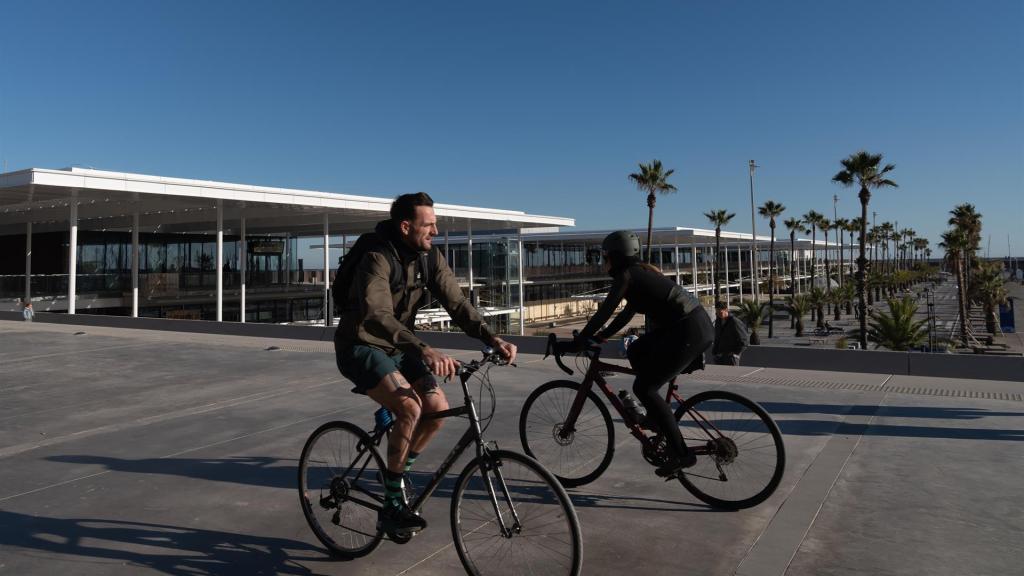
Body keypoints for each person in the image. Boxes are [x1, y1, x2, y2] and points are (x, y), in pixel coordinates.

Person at [334, 192, 517, 535]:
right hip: (360, 345)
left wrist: (493, 339)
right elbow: (377, 317)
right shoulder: (377, 257)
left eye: (435, 224)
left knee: (436, 408)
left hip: (398, 347)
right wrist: (424, 349)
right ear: (406, 226)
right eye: (428, 225)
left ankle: (395, 472)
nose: (435, 231)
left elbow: (458, 305)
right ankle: (391, 505)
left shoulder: (429, 258)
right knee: (409, 409)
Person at [572, 231, 713, 478]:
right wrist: (603, 336)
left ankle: (682, 454)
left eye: (604, 257)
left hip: (688, 331)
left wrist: (583, 338)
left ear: (614, 256)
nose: (603, 262)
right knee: (636, 349)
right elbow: (626, 315)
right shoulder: (639, 275)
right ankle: (656, 417)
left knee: (645, 389)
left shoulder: (627, 276)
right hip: (693, 327)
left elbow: (605, 310)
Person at [712, 301, 747, 365]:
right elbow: (717, 338)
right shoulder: (718, 322)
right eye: (716, 312)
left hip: (731, 358)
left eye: (720, 312)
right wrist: (715, 352)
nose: (718, 314)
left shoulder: (734, 322)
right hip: (719, 356)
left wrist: (735, 353)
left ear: (726, 310)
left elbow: (744, 340)